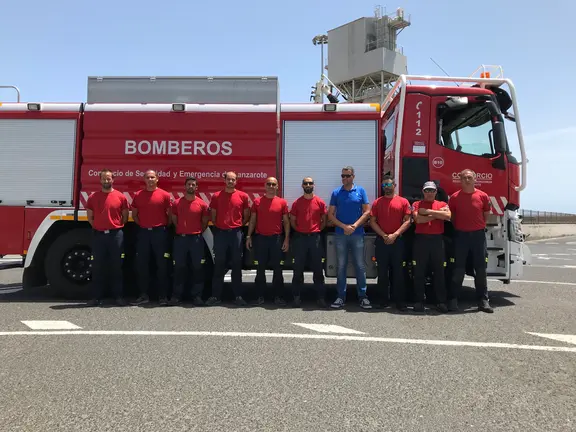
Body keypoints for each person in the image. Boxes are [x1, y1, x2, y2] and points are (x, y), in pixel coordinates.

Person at [448, 169, 494, 313]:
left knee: (480, 269)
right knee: (458, 269)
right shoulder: (454, 197)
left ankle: (483, 300)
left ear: (475, 179)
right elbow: (452, 217)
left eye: (469, 177)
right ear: (460, 180)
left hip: (478, 237)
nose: (467, 180)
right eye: (464, 178)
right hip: (461, 236)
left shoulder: (483, 196)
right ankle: (453, 299)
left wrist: (478, 226)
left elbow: (486, 214)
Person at [328, 166, 372, 310]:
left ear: (353, 176)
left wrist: (354, 226)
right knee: (341, 267)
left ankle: (363, 297)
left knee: (360, 266)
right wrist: (344, 227)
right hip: (341, 235)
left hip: (357, 234)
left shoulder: (361, 191)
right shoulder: (336, 193)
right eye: (343, 176)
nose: (344, 178)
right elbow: (330, 215)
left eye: (347, 175)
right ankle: (341, 297)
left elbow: (367, 211)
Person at [206, 171, 250, 306]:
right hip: (220, 234)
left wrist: (237, 226)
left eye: (233, 180)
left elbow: (246, 215)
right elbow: (213, 215)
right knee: (219, 265)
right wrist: (220, 227)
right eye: (228, 179)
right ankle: (215, 296)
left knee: (237, 266)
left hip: (236, 233)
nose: (231, 182)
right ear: (224, 180)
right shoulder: (216, 196)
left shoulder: (243, 196)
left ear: (236, 181)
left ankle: (238, 296)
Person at [85, 169, 129, 306]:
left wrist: (114, 226)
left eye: (108, 178)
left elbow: (125, 216)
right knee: (98, 267)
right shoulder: (93, 197)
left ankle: (118, 297)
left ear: (113, 179)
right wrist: (100, 227)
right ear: (100, 180)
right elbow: (90, 217)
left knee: (116, 267)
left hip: (116, 235)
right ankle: (96, 297)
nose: (106, 181)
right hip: (99, 235)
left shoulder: (121, 197)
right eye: (103, 178)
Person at [369, 175, 412, 311]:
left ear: (394, 186)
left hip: (397, 241)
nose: (386, 188)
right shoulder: (377, 202)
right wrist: (384, 235)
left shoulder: (403, 202)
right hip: (382, 241)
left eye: (389, 185)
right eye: (384, 186)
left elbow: (407, 221)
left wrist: (395, 234)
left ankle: (399, 301)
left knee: (399, 272)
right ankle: (382, 301)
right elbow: (372, 221)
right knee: (382, 272)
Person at [131, 169, 173, 306]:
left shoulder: (165, 195)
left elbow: (170, 216)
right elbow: (135, 215)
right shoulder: (138, 195)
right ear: (144, 179)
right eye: (148, 177)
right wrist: (144, 225)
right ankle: (143, 295)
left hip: (160, 233)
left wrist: (161, 227)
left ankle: (163, 297)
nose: (150, 179)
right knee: (142, 265)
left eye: (152, 177)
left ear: (157, 179)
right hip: (143, 233)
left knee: (162, 265)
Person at [246, 177, 290, 306]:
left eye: (273, 184)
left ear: (277, 187)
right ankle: (259, 296)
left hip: (276, 239)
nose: (271, 186)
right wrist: (248, 236)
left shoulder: (282, 202)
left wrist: (286, 239)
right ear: (265, 186)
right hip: (261, 239)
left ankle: (278, 297)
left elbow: (286, 222)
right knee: (260, 269)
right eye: (269, 184)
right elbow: (252, 220)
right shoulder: (257, 201)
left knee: (278, 269)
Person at [168, 176, 209, 306]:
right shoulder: (176, 203)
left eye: (193, 185)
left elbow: (204, 222)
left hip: (196, 239)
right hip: (181, 239)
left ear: (196, 188)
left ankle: (197, 296)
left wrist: (195, 231)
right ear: (185, 186)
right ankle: (176, 296)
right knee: (179, 268)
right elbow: (174, 219)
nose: (191, 186)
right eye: (189, 184)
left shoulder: (202, 204)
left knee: (197, 268)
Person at [411, 181, 451, 313]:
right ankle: (418, 301)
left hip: (437, 241)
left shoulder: (443, 204)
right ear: (423, 191)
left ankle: (441, 302)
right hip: (421, 240)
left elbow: (448, 216)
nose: (429, 193)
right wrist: (437, 214)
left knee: (439, 272)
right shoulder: (416, 204)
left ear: (436, 192)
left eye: (431, 191)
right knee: (419, 272)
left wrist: (428, 212)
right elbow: (418, 220)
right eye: (427, 190)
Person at [289, 177, 328, 308]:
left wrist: (315, 230)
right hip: (300, 239)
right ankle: (296, 297)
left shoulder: (320, 202)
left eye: (310, 183)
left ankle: (321, 298)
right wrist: (301, 230)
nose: (308, 185)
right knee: (298, 269)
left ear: (313, 185)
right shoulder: (297, 203)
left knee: (318, 269)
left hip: (315, 238)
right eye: (305, 183)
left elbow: (324, 220)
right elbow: (292, 221)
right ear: (302, 186)